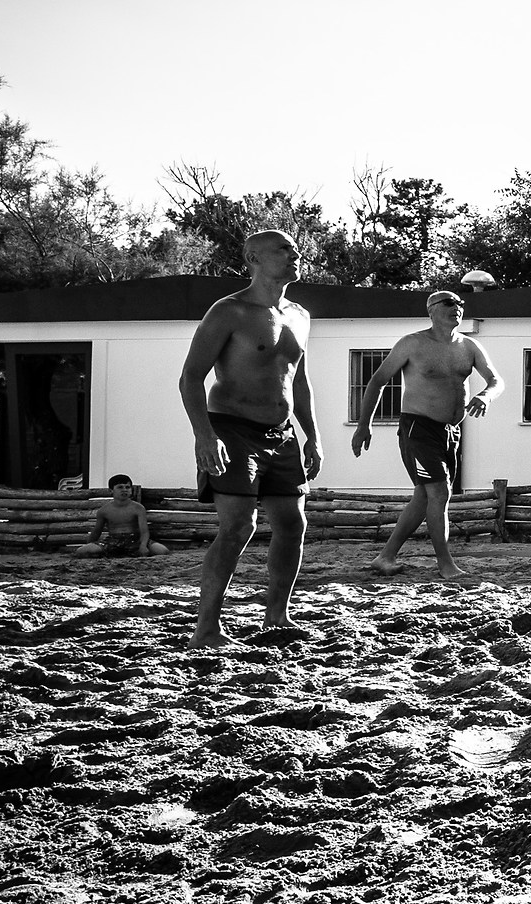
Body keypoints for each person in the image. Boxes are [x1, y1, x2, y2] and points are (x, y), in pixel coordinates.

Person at [178, 229, 322, 646]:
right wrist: (204, 435)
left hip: (282, 433)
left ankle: (277, 616)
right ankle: (207, 629)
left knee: (293, 524)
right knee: (239, 526)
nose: (295, 254)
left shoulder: (300, 314)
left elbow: (300, 381)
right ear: (253, 257)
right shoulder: (230, 311)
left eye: (296, 248)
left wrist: (312, 436)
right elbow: (190, 377)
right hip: (232, 429)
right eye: (284, 249)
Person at [350, 290, 504, 580]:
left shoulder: (469, 346)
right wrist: (363, 424)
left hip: (449, 431)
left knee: (424, 495)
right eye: (449, 303)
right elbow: (378, 381)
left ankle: (385, 557)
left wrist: (486, 395)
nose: (457, 307)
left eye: (460, 303)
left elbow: (496, 381)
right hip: (417, 427)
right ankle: (446, 564)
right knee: (439, 492)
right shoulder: (412, 343)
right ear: (431, 310)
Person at [75, 475, 168, 557]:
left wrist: (143, 546)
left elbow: (144, 531)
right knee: (82, 551)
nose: (124, 490)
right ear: (111, 490)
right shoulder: (104, 510)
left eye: (127, 487)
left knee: (162, 551)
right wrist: (90, 544)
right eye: (120, 487)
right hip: (113, 541)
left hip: (135, 540)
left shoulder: (138, 508)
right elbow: (96, 531)